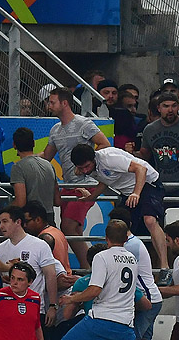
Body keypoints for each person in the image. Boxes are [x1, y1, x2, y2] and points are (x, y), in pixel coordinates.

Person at [69, 144, 168, 271]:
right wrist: (91, 197)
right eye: (81, 168)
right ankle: (116, 267)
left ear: (93, 158)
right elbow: (105, 181)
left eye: (86, 167)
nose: (84, 171)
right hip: (128, 192)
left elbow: (141, 169)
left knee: (149, 220)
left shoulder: (109, 158)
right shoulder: (88, 169)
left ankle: (165, 267)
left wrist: (136, 193)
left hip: (148, 184)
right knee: (116, 228)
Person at [41, 88, 110, 268]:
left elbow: (105, 143)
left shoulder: (84, 123)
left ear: (64, 103)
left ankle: (89, 268)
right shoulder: (55, 130)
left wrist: (86, 165)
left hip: (87, 184)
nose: (49, 106)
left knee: (69, 226)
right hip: (68, 184)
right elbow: (47, 156)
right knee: (74, 229)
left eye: (52, 102)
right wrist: (28, 159)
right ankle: (91, 268)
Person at [59, 220, 136, 340]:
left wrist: (71, 298)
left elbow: (94, 290)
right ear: (126, 239)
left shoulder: (101, 257)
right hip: (125, 322)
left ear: (106, 238)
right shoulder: (133, 259)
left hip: (101, 319)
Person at [0, 262, 42, 340]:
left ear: (30, 282)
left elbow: (37, 326)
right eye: (12, 278)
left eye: (20, 279)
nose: (14, 283)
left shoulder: (35, 298)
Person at [10, 128, 56, 210]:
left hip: (30, 218)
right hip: (49, 217)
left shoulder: (18, 168)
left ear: (14, 145)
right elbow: (57, 201)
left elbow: (20, 202)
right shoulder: (49, 165)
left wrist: (4, 210)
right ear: (33, 143)